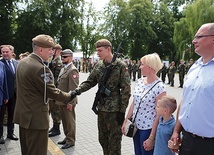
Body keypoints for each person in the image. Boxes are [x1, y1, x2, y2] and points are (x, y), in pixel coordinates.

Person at [13, 34, 74, 155]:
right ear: (41, 49)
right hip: (36, 119)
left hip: (24, 116)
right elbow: (53, 92)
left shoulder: (22, 62)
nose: (52, 52)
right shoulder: (40, 68)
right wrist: (70, 95)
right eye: (50, 49)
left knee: (26, 151)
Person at [70, 39, 131, 155]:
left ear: (108, 49)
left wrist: (122, 111)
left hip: (114, 111)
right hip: (102, 108)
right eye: (97, 50)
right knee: (103, 140)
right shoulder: (99, 65)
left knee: (114, 143)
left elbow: (126, 90)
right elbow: (90, 82)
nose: (97, 53)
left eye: (100, 50)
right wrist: (77, 91)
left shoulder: (120, 66)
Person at [170, 23, 214, 155]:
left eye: (199, 36)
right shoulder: (195, 67)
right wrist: (176, 131)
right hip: (187, 140)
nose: (193, 41)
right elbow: (186, 101)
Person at [122, 53, 166, 155]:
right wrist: (126, 121)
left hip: (148, 129)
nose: (140, 66)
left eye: (142, 64)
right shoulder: (140, 81)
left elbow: (159, 114)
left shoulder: (160, 87)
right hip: (136, 126)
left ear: (150, 67)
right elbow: (134, 103)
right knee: (137, 152)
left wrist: (152, 137)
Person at [56, 49, 79, 149]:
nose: (62, 58)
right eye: (62, 57)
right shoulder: (64, 68)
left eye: (65, 57)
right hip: (62, 100)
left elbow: (73, 88)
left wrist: (71, 102)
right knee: (65, 121)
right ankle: (67, 137)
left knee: (70, 122)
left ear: (71, 58)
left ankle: (71, 140)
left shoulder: (72, 70)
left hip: (68, 101)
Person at [0, 45, 19, 144]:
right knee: (1, 116)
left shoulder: (16, 63)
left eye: (7, 52)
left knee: (12, 115)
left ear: (12, 52)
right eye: (3, 52)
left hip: (14, 95)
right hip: (3, 95)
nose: (5, 54)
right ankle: (0, 136)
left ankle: (10, 133)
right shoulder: (0, 63)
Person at [48, 43, 63, 137]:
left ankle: (57, 129)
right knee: (52, 109)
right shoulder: (53, 61)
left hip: (55, 90)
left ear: (58, 51)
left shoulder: (58, 63)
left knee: (55, 110)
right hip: (51, 90)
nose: (51, 51)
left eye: (53, 50)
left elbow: (57, 78)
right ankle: (54, 127)